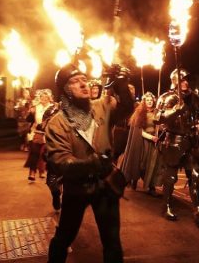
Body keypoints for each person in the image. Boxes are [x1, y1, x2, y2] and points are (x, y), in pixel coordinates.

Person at [45, 63, 134, 263]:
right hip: (77, 189)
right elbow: (60, 162)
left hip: (105, 187)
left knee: (112, 242)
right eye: (76, 82)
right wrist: (91, 164)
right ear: (65, 90)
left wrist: (121, 85)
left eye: (84, 79)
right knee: (64, 238)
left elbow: (127, 109)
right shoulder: (57, 123)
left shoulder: (101, 106)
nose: (83, 84)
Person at [154, 68, 199, 225]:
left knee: (195, 176)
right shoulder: (167, 97)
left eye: (187, 79)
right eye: (183, 80)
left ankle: (198, 210)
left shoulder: (194, 97)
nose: (186, 82)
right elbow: (158, 117)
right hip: (173, 139)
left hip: (190, 140)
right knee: (171, 176)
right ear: (175, 81)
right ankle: (166, 205)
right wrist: (175, 110)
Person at [120, 92, 162, 195]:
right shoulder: (139, 113)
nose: (149, 102)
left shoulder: (156, 113)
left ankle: (151, 187)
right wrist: (151, 137)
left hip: (154, 142)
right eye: (147, 100)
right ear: (144, 101)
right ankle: (134, 178)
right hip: (143, 142)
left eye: (151, 100)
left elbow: (160, 126)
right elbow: (139, 131)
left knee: (152, 165)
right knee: (142, 164)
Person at [24, 89, 54, 181]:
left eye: (46, 97)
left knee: (45, 154)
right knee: (34, 153)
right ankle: (32, 172)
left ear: (49, 98)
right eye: (42, 97)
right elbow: (28, 120)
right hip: (37, 133)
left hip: (49, 134)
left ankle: (43, 171)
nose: (44, 99)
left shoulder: (53, 108)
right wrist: (30, 112)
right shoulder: (36, 107)